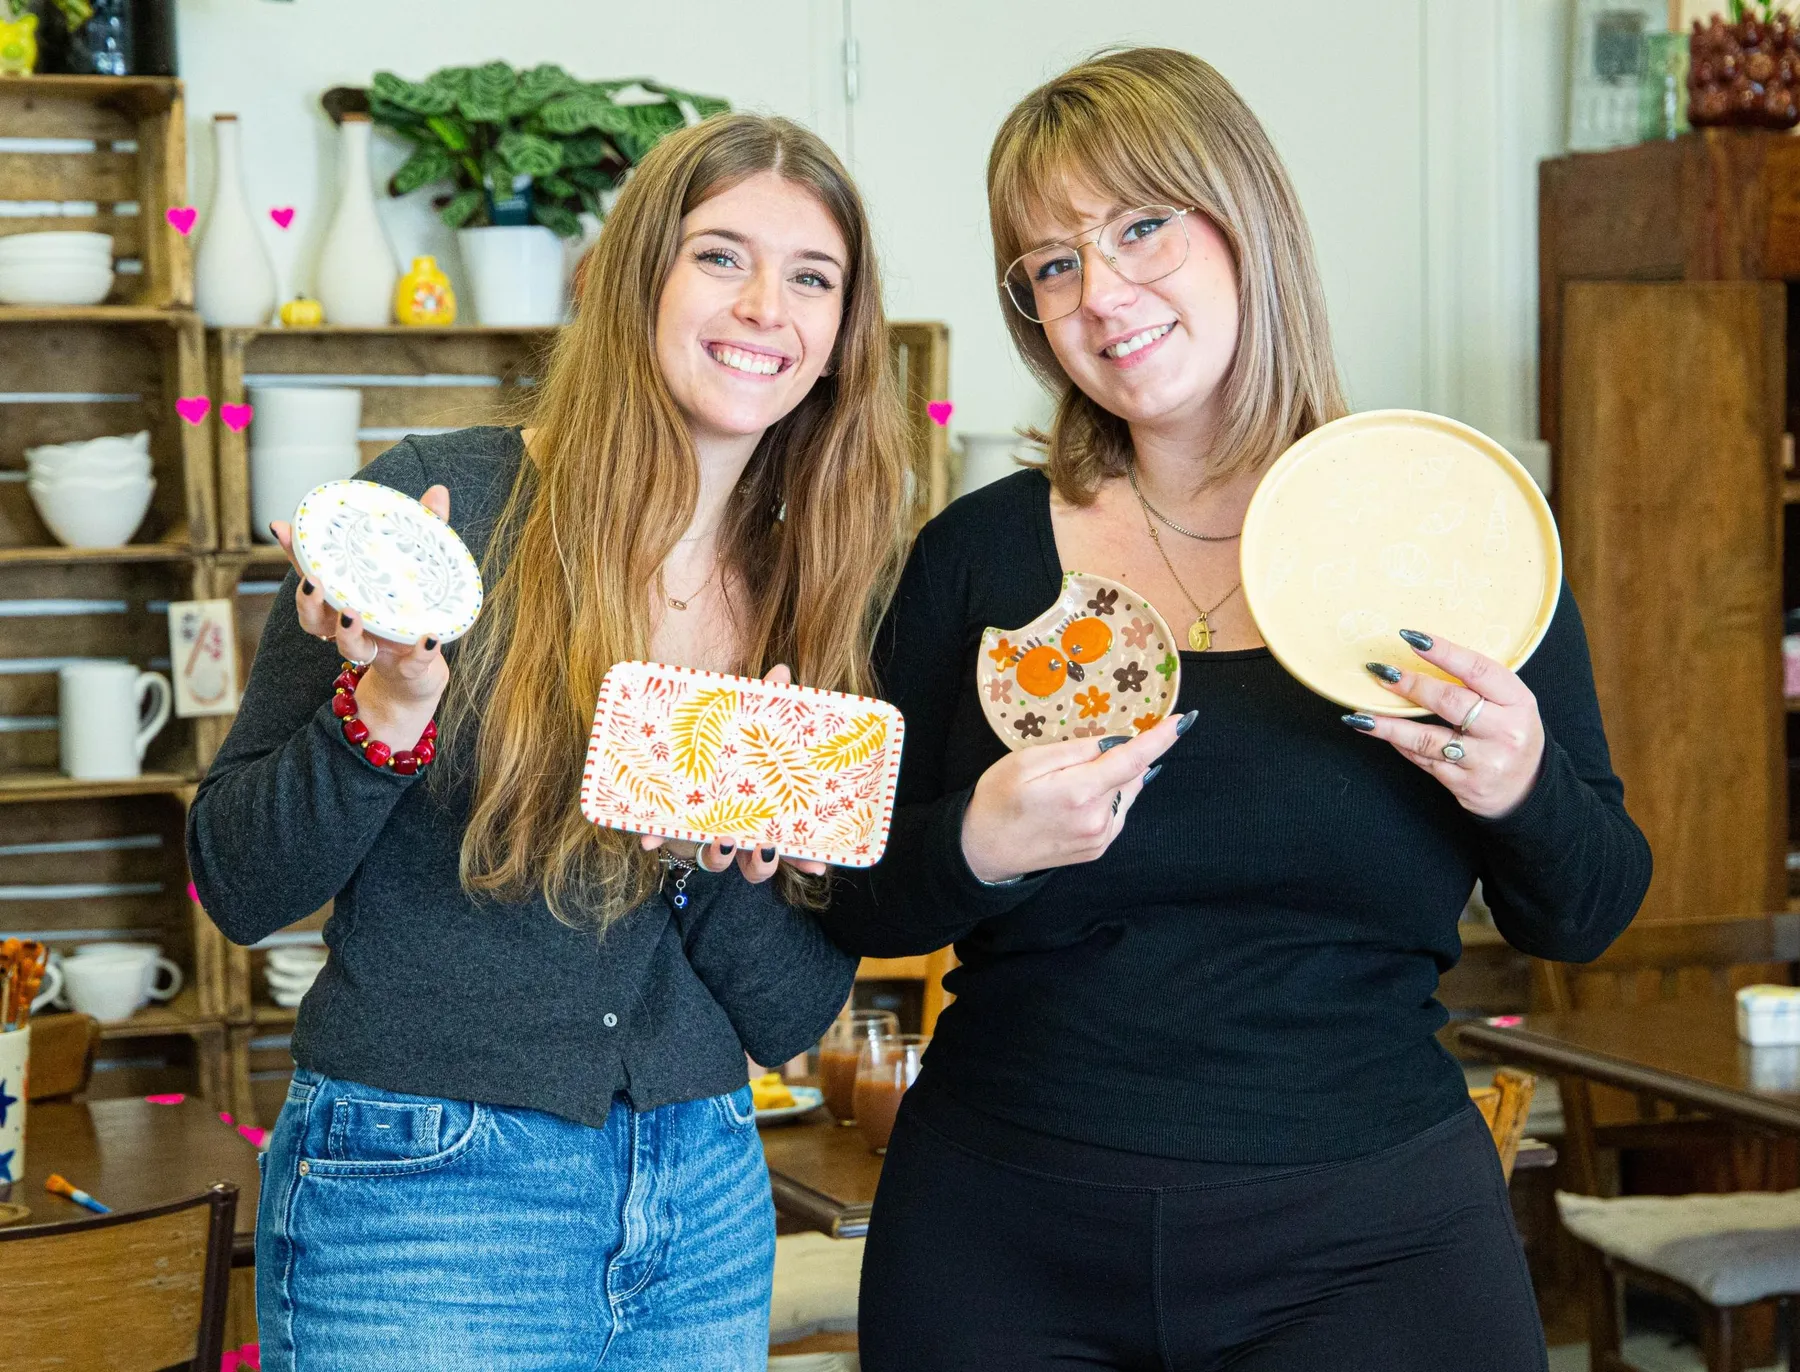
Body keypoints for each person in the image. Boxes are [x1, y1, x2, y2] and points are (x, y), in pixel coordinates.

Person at [822, 48, 1651, 1372]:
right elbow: (851, 898)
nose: (1100, 293)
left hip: (1373, 1240)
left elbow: (1591, 907)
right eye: (1050, 263)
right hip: (1005, 1235)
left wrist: (1521, 783)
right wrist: (976, 841)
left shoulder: (1441, 527)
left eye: (1140, 225)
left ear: (1245, 218)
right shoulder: (978, 561)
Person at [188, 112, 911, 1372]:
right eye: (720, 256)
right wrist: (385, 716)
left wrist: (698, 856)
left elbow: (796, 1010)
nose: (765, 307)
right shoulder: (438, 508)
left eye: (814, 277)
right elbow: (236, 885)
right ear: (641, 279)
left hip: (703, 1202)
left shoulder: (826, 586)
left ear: (843, 334)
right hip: (421, 1191)